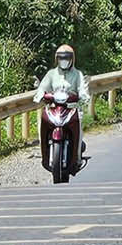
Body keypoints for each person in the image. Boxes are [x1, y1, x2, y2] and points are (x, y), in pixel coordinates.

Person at [34, 44, 91, 173]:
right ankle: (44, 153)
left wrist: (82, 96)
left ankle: (77, 158)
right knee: (43, 121)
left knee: (79, 124)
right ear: (57, 59)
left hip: (72, 108)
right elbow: (43, 87)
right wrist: (40, 94)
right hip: (54, 108)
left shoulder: (77, 74)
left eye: (67, 58)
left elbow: (82, 89)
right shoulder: (51, 74)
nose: (64, 61)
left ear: (72, 59)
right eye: (61, 58)